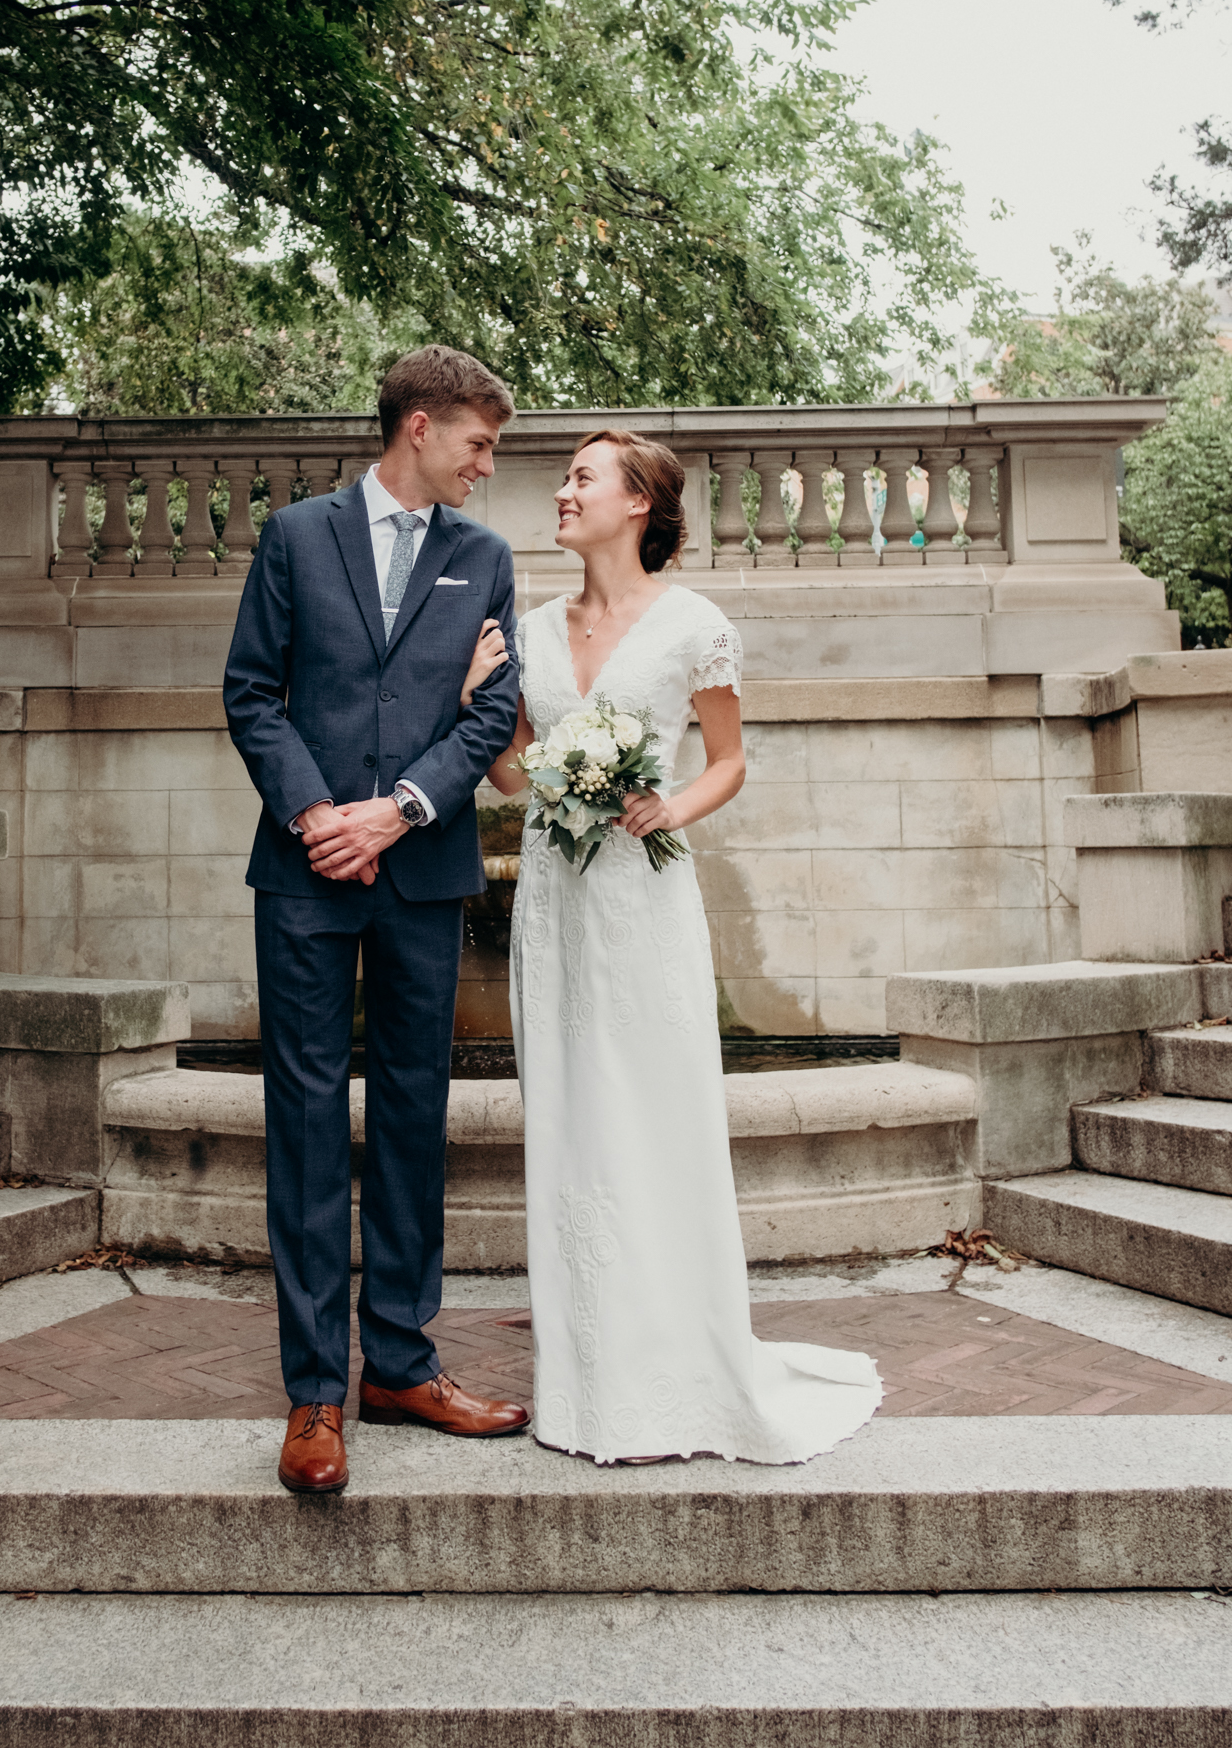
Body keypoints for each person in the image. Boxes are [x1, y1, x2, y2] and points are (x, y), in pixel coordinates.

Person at [485, 431, 883, 1465]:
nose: (563, 491)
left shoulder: (694, 625)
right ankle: (584, 1377)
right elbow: (518, 782)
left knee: (652, 1121)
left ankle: (675, 1366)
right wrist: (474, 709)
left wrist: (670, 808)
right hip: (555, 911)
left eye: (583, 477)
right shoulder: (527, 630)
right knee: (569, 1120)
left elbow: (730, 760)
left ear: (638, 504)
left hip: (642, 903)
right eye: (566, 476)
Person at [223, 345, 532, 1498]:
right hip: (306, 873)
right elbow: (252, 689)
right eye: (478, 442)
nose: (486, 465)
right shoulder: (299, 536)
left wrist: (396, 813)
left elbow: (494, 711)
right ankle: (314, 1396)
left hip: (422, 870)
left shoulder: (485, 559)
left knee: (413, 1118)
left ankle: (402, 1363)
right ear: (419, 426)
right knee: (305, 1125)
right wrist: (317, 816)